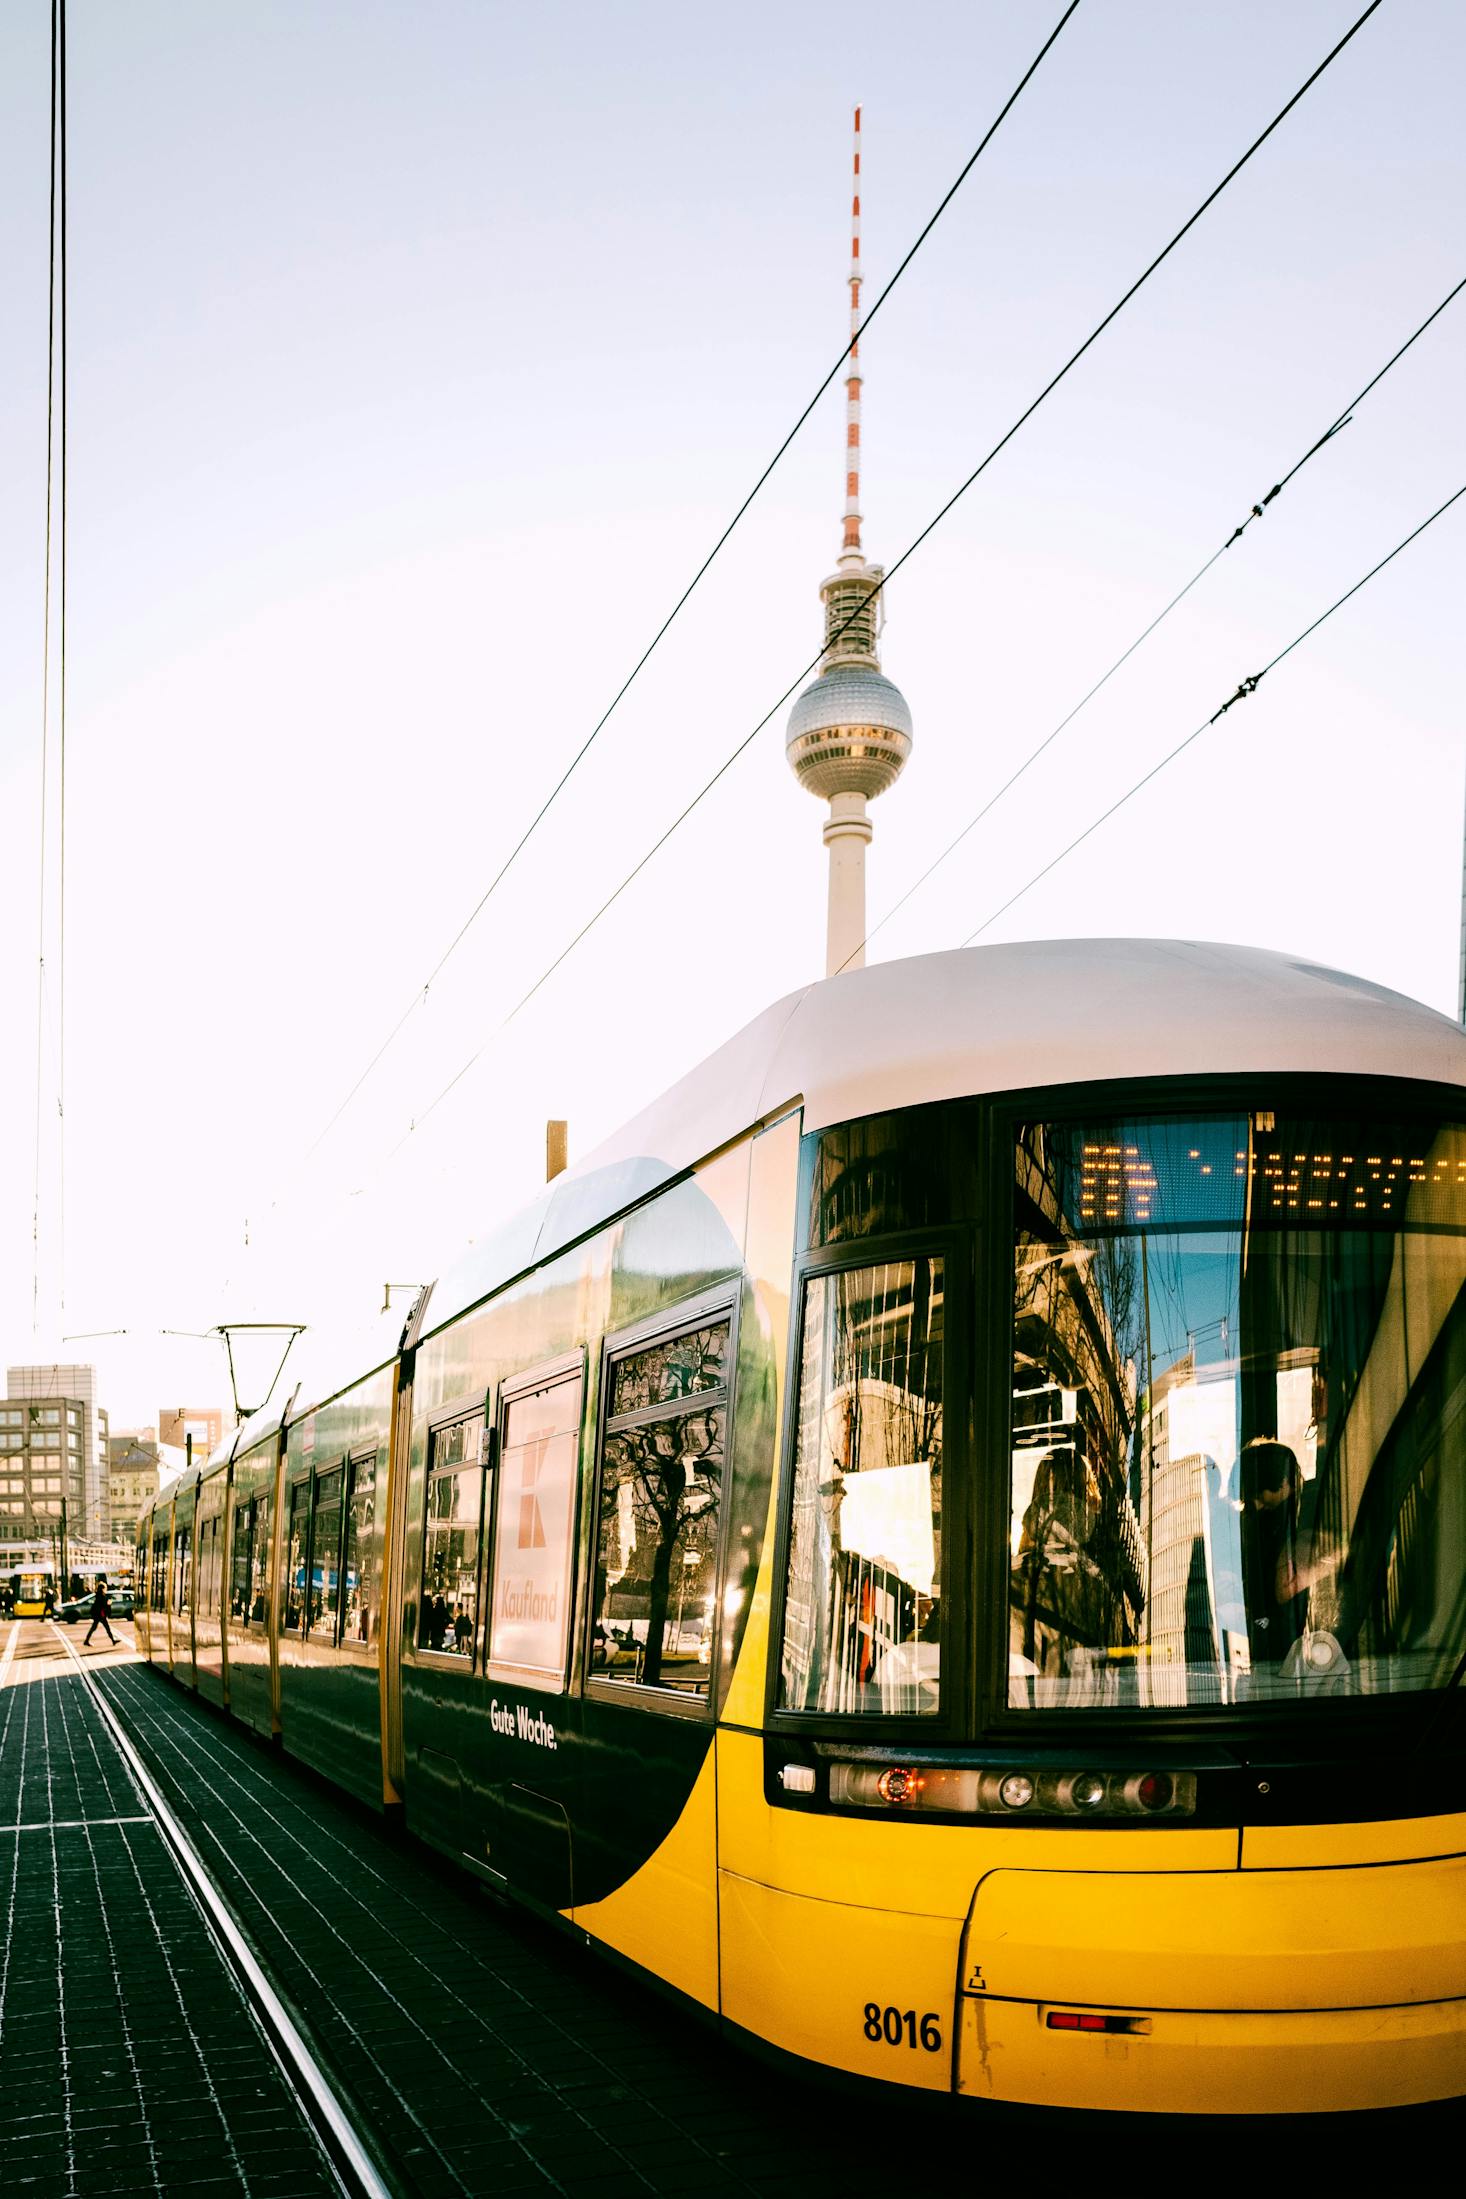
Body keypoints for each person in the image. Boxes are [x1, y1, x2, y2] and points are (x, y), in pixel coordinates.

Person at [84, 1576, 116, 1647]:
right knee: (106, 1627)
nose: (105, 1589)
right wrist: (108, 1604)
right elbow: (103, 1605)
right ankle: (113, 1640)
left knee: (95, 1628)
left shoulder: (98, 1594)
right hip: (100, 1614)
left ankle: (87, 1640)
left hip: (98, 1614)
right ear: (102, 1589)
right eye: (105, 1588)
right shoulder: (101, 1595)